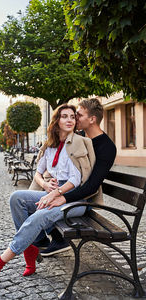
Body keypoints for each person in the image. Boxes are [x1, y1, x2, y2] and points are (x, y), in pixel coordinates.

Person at [0, 103, 96, 289]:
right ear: (56, 120)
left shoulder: (79, 142)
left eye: (72, 117)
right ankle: (32, 250)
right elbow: (38, 172)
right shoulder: (50, 144)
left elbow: (77, 179)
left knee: (39, 215)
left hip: (74, 199)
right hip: (53, 190)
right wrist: (45, 184)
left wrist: (55, 192)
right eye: (64, 116)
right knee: (16, 198)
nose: (69, 120)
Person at [39, 98, 117, 256]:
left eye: (79, 115)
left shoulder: (106, 147)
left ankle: (56, 240)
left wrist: (63, 197)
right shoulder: (78, 137)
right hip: (69, 190)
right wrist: (50, 181)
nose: (75, 118)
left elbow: (91, 187)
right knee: (28, 201)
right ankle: (48, 240)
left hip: (84, 199)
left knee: (43, 207)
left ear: (92, 119)